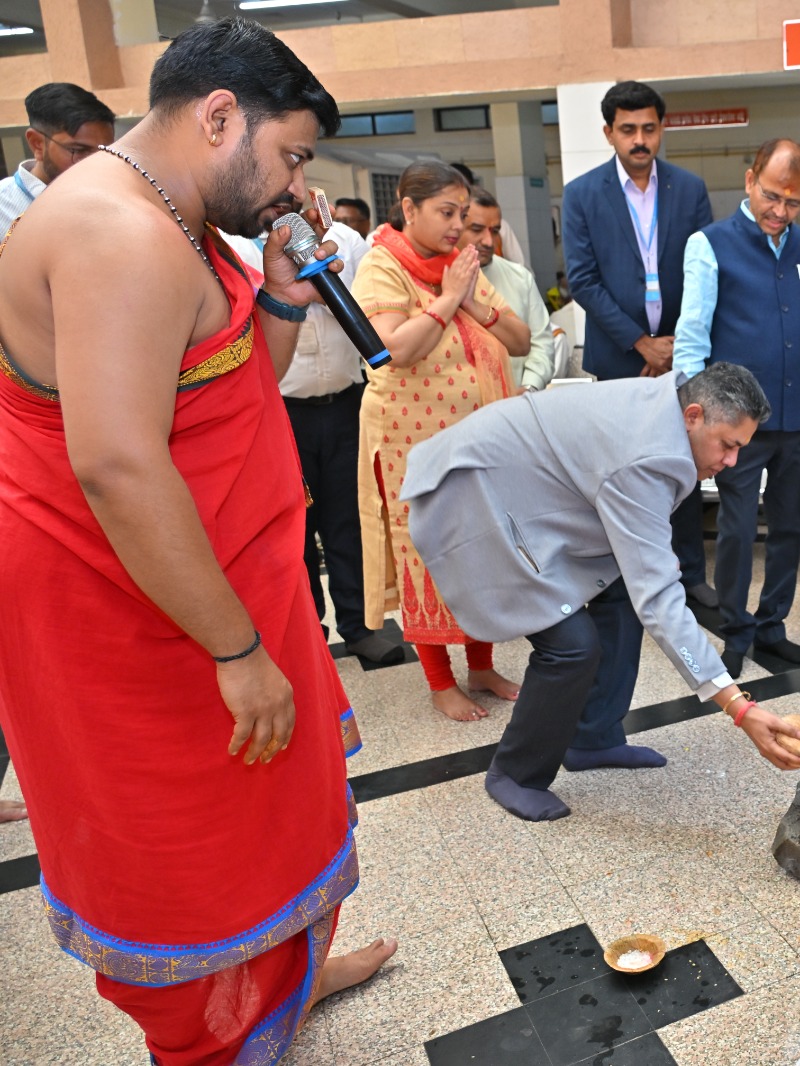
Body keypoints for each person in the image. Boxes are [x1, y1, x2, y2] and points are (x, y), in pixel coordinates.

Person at [0, 18, 395, 1063]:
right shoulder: (117, 233)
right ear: (220, 117)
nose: (296, 187)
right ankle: (215, 1042)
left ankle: (284, 990)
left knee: (271, 817)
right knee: (192, 855)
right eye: (291, 157)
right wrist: (237, 649)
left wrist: (281, 296)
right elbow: (119, 465)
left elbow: (232, 389)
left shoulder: (174, 216)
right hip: (143, 613)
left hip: (216, 587)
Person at [401, 364, 800, 820]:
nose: (732, 461)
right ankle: (514, 774)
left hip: (522, 489)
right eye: (728, 445)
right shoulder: (647, 456)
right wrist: (737, 707)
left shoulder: (670, 406)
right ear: (694, 415)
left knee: (620, 598)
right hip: (469, 497)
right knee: (571, 646)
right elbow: (659, 597)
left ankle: (592, 737)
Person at [353, 160, 532, 722]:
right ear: (409, 208)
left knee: (482, 550)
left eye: (463, 214)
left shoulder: (459, 265)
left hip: (478, 445)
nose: (458, 226)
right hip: (413, 445)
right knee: (425, 554)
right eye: (447, 213)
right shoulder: (382, 266)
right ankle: (439, 681)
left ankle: (481, 666)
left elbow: (520, 339)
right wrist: (447, 299)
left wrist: (470, 299)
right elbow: (392, 350)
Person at [674, 138, 800, 679]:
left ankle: (772, 625)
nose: (780, 211)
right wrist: (691, 410)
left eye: (794, 202)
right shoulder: (709, 244)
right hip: (735, 423)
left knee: (791, 526)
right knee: (738, 529)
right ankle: (735, 629)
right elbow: (691, 339)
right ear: (750, 181)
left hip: (799, 413)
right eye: (771, 196)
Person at [221, 210, 407, 668]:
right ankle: (310, 632)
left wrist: (325, 282)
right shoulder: (237, 245)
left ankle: (360, 627)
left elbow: (366, 303)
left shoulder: (344, 240)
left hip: (345, 403)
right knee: (296, 530)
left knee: (350, 520)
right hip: (283, 409)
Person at [561, 80, 717, 609]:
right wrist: (640, 343)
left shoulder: (689, 189)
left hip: (680, 358)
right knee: (622, 471)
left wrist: (673, 347)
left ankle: (689, 575)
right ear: (609, 132)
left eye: (649, 128)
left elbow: (702, 273)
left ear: (662, 128)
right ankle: (623, 576)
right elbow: (583, 281)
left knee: (684, 463)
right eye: (628, 129)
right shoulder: (583, 194)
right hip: (619, 358)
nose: (640, 139)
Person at [466, 186, 557, 391]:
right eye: (477, 229)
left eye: (495, 231)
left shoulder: (519, 278)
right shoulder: (434, 279)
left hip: (515, 400)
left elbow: (541, 343)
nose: (488, 241)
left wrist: (529, 388)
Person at [0, 82, 116, 232]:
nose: (95, 164)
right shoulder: (3, 207)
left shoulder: (116, 198)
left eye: (105, 152)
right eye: (78, 151)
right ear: (37, 144)